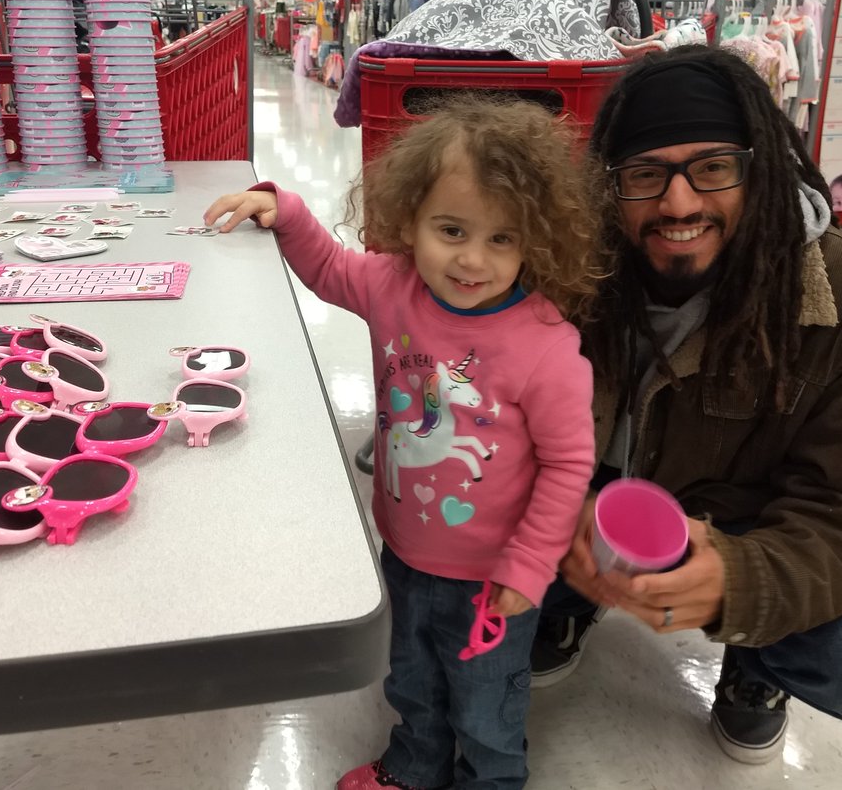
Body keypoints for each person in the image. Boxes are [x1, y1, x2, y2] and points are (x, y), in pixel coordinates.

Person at [530, 45, 842, 766]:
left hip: (748, 519)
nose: (679, 204)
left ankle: (755, 662)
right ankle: (572, 598)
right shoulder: (569, 262)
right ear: (609, 184)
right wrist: (559, 512)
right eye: (645, 175)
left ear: (761, 168)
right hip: (585, 496)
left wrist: (744, 585)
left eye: (713, 168)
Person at [205, 98, 602, 790]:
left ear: (535, 240)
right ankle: (416, 765)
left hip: (493, 576)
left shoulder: (546, 347)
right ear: (411, 220)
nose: (472, 258)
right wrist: (285, 211)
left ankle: (491, 781)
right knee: (411, 676)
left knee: (487, 704)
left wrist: (530, 565)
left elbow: (569, 465)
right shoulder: (394, 286)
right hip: (404, 549)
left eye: (502, 238)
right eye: (451, 230)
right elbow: (330, 268)